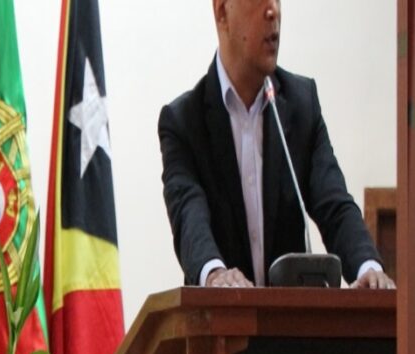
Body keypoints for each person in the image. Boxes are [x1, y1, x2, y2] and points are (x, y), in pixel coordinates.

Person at [158, 0, 394, 289]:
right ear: (221, 12)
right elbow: (189, 216)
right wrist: (214, 273)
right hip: (222, 316)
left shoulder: (301, 105)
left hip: (290, 317)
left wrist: (368, 267)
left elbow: (334, 205)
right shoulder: (183, 123)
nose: (273, 11)